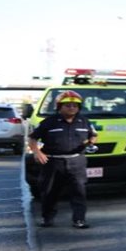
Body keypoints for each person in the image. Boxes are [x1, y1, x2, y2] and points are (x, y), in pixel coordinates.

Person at [29, 90, 98, 229]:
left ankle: (79, 220)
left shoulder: (84, 121)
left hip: (76, 162)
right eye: (67, 105)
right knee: (49, 192)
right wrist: (37, 153)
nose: (72, 107)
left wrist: (90, 142)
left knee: (79, 192)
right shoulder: (49, 122)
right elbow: (32, 138)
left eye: (75, 105)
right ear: (59, 106)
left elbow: (94, 135)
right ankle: (47, 218)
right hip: (53, 162)